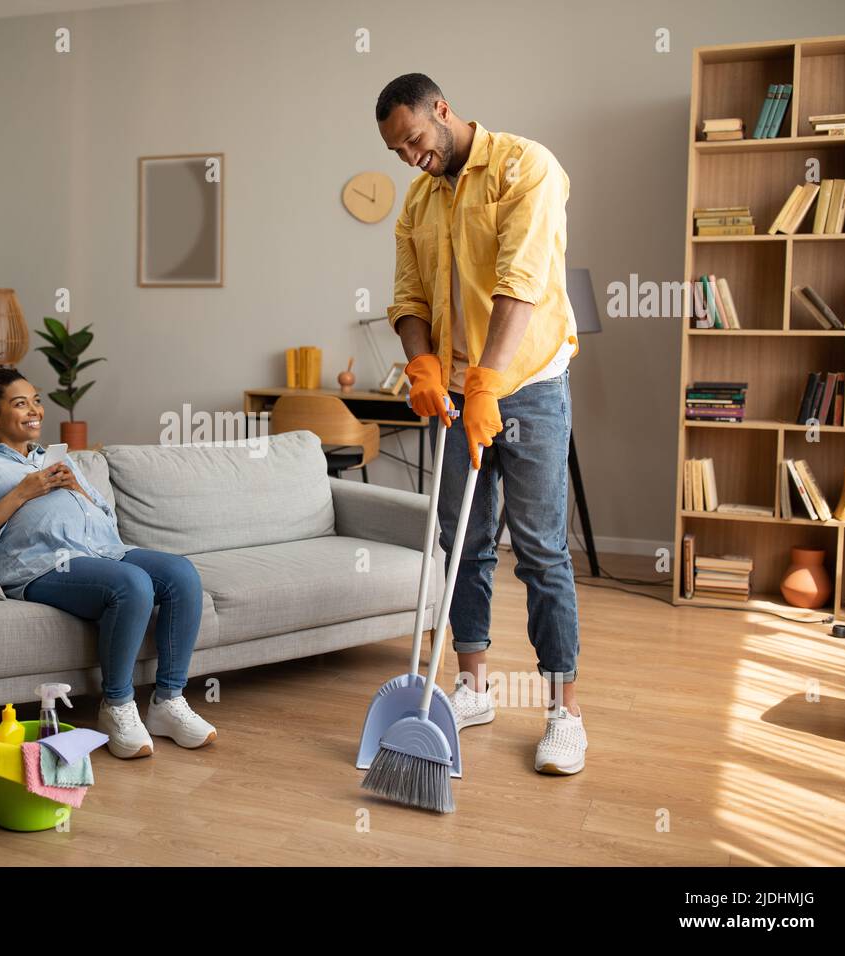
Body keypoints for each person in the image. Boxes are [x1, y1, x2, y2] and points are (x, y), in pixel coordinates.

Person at [376, 73, 587, 775]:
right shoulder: (418, 199)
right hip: (454, 392)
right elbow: (408, 297)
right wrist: (425, 368)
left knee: (539, 550)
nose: (411, 157)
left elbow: (519, 283)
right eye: (397, 150)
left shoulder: (529, 167)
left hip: (526, 387)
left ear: (443, 110)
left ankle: (564, 712)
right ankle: (471, 687)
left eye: (414, 140)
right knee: (460, 542)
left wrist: (489, 384)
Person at [0, 362, 216, 759]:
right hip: (39, 566)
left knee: (181, 574)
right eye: (20, 404)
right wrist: (21, 493)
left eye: (36, 401)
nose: (34, 410)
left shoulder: (56, 458)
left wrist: (76, 489)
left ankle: (168, 702)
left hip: (103, 551)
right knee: (131, 583)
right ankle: (117, 706)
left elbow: (104, 515)